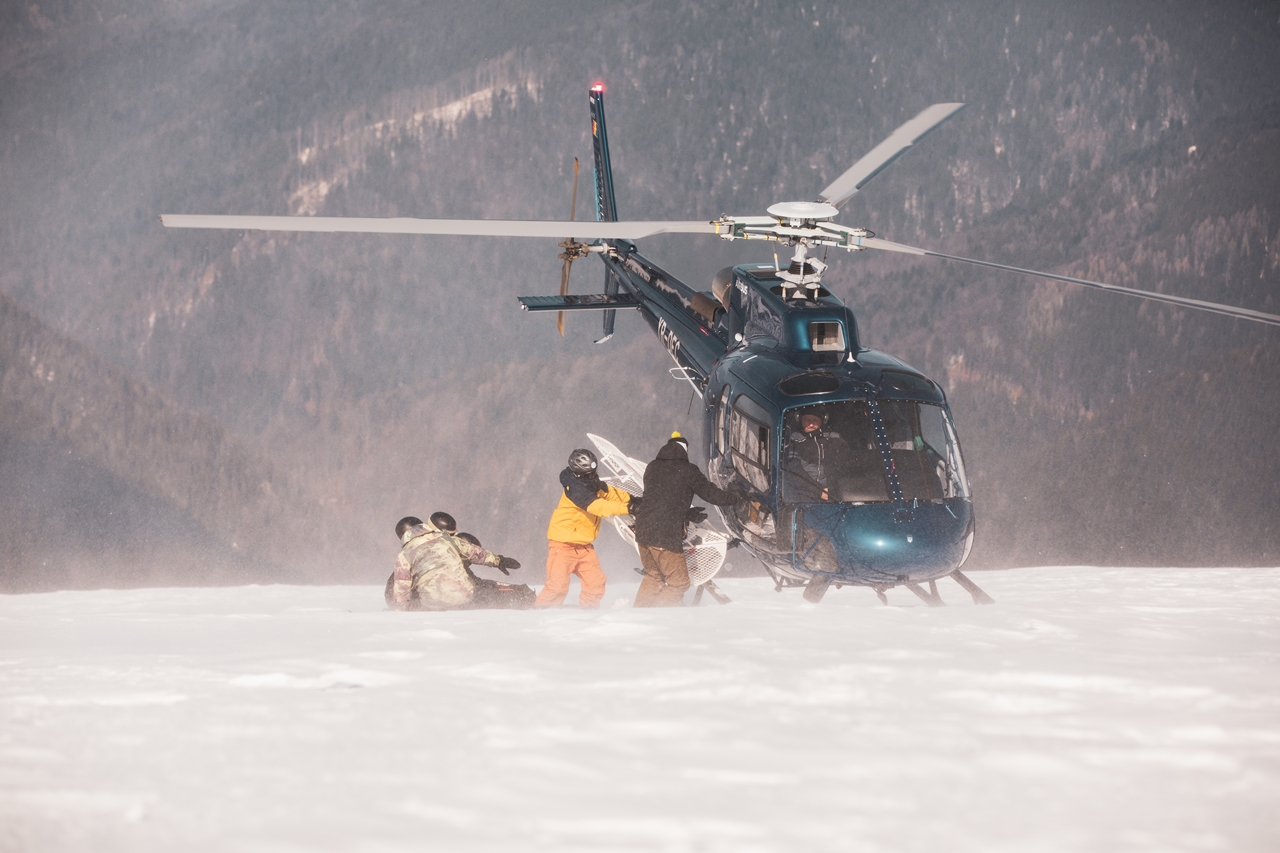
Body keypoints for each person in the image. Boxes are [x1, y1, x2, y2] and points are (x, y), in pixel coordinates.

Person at [632, 432, 744, 607]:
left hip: (643, 531)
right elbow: (710, 494)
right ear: (684, 450)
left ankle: (638, 615)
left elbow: (661, 498)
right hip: (664, 536)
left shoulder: (652, 467)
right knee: (679, 583)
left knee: (654, 575)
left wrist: (686, 513)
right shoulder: (688, 470)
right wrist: (735, 498)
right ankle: (660, 617)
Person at [536, 448, 634, 609]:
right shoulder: (575, 489)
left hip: (585, 548)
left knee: (596, 584)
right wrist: (629, 508)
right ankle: (539, 614)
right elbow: (598, 506)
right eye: (589, 474)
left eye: (594, 472)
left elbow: (611, 493)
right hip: (562, 547)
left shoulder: (592, 483)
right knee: (557, 587)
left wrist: (634, 500)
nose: (593, 476)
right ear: (579, 473)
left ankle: (588, 614)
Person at [387, 513, 522, 611]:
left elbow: (402, 588)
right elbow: (475, 553)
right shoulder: (445, 538)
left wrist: (400, 611)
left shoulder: (404, 555)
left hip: (433, 604)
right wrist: (498, 560)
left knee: (422, 599)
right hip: (466, 598)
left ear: (402, 536)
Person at [784, 411, 851, 502]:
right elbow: (794, 469)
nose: (811, 424)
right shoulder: (795, 439)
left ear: (822, 421)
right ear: (800, 420)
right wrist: (818, 490)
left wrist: (831, 489)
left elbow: (846, 465)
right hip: (805, 493)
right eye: (807, 420)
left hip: (833, 493)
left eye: (815, 420)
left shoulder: (835, 438)